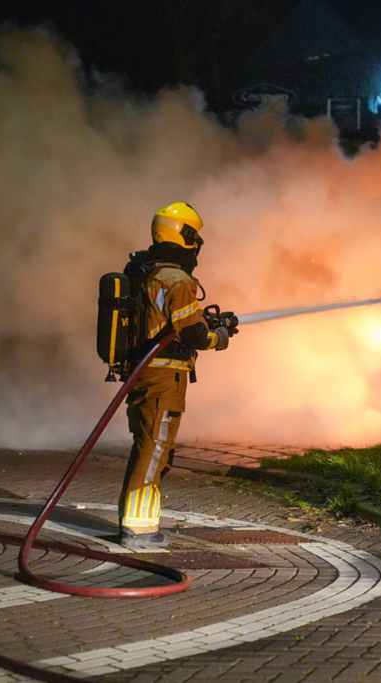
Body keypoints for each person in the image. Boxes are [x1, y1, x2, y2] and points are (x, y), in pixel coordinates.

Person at [118, 202, 230, 549]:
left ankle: (140, 524)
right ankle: (138, 531)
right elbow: (194, 336)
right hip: (163, 378)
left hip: (147, 374)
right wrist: (219, 337)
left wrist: (205, 322)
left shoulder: (146, 272)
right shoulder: (176, 279)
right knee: (153, 451)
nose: (196, 245)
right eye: (193, 237)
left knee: (149, 448)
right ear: (181, 235)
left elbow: (168, 323)